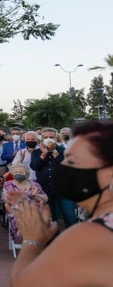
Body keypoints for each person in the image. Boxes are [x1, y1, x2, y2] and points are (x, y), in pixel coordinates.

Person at [10, 121, 113, 286]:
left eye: (72, 162)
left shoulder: (92, 233)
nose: (63, 170)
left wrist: (32, 241)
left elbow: (23, 282)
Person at [2, 163, 47, 243]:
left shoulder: (34, 184)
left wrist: (36, 195)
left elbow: (46, 199)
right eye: (16, 172)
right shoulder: (8, 184)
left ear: (26, 174)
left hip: (34, 210)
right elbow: (6, 200)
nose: (18, 174)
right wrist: (19, 197)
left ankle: (36, 241)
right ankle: (31, 242)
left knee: (42, 218)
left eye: (20, 172)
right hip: (16, 211)